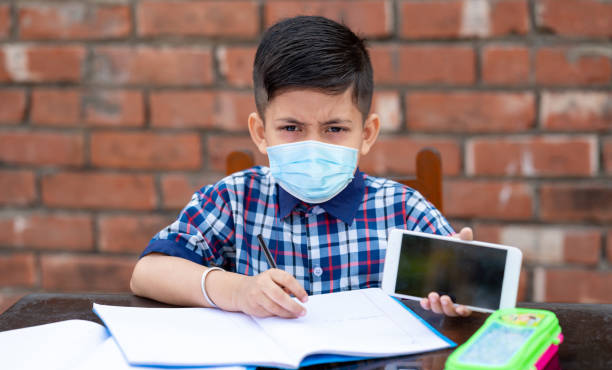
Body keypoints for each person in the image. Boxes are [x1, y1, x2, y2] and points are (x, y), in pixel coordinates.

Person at [130, 16, 473, 319]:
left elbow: (464, 288)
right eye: (291, 128)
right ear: (261, 133)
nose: (313, 146)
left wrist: (461, 288)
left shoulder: (403, 210)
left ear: (366, 134)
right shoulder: (234, 199)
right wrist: (237, 291)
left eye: (335, 129)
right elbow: (147, 273)